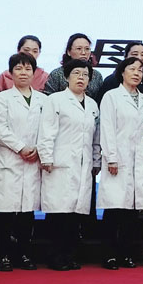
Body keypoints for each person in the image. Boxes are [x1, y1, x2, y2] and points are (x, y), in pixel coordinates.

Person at [38, 59, 101, 271]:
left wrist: (96, 160)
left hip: (84, 165)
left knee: (76, 214)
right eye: (76, 73)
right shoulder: (55, 100)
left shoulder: (92, 105)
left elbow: (95, 137)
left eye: (85, 74)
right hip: (60, 163)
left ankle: (69, 254)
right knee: (59, 213)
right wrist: (46, 157)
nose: (81, 78)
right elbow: (47, 131)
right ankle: (55, 256)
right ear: (66, 77)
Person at [0, 52, 46, 272]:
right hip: (10, 159)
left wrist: (38, 148)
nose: (23, 72)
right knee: (6, 211)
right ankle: (4, 255)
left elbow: (48, 129)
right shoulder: (2, 98)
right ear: (10, 73)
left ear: (34, 73)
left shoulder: (43, 100)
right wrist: (21, 147)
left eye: (28, 68)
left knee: (27, 212)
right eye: (18, 68)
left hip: (33, 160)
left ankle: (24, 254)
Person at [97, 57, 143, 270]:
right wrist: (111, 157)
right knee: (114, 208)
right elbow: (107, 128)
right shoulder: (111, 96)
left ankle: (126, 253)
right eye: (132, 69)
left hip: (138, 160)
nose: (136, 73)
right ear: (122, 72)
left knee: (132, 210)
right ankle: (109, 254)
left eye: (140, 70)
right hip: (117, 158)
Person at [44, 33, 103, 98]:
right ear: (69, 52)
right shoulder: (57, 74)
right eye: (79, 49)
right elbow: (48, 98)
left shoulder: (97, 75)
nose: (83, 53)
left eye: (87, 49)